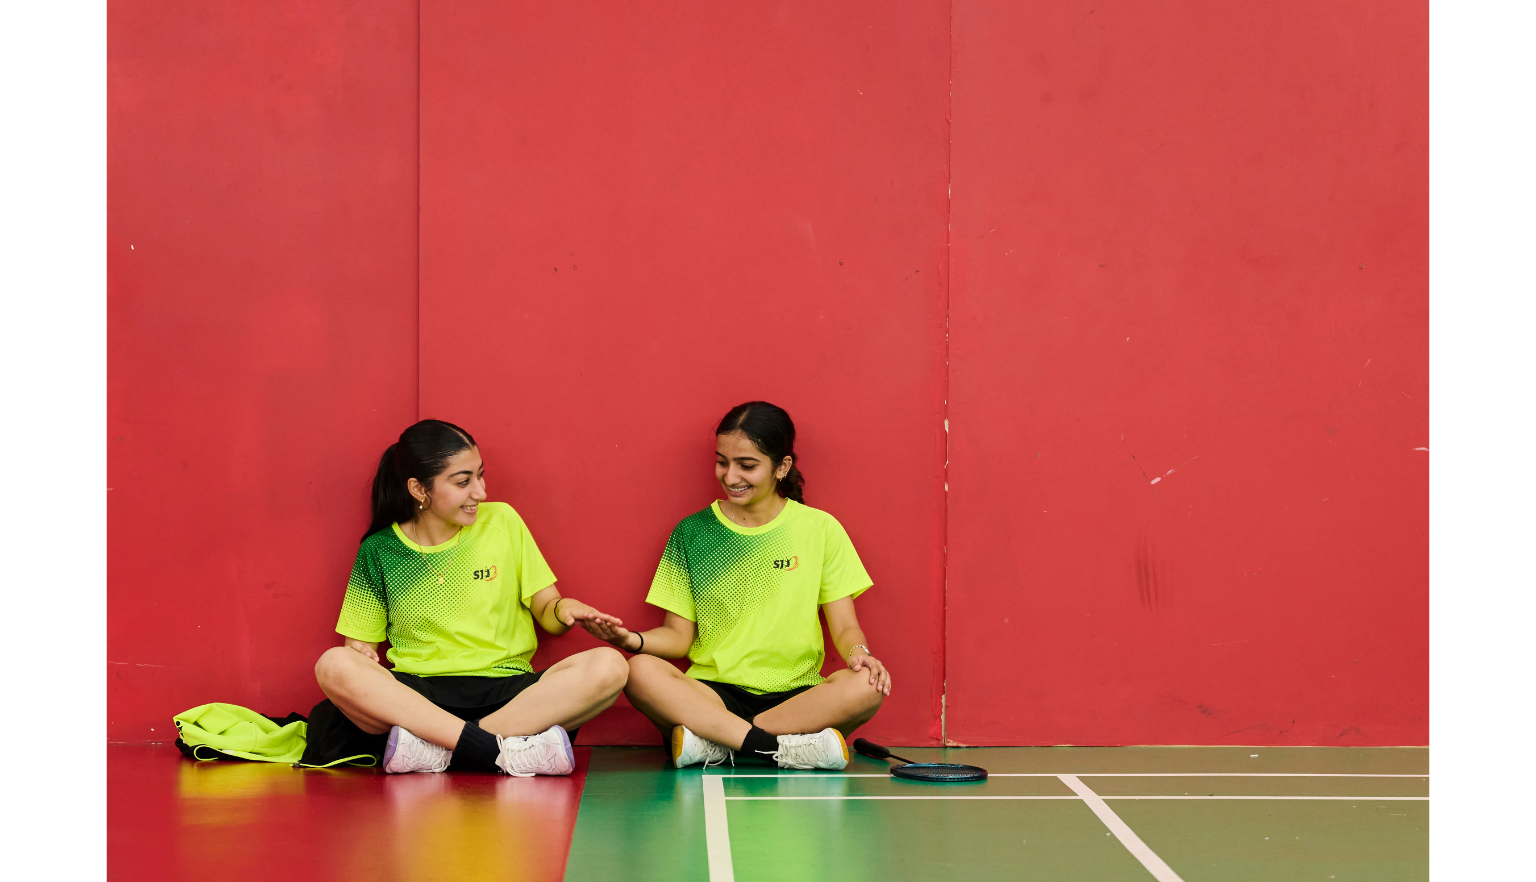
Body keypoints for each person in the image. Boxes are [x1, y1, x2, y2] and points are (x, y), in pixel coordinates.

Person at [581, 402, 888, 770]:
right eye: (722, 461)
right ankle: (776, 750)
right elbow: (678, 637)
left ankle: (720, 743)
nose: (730, 476)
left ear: (782, 467)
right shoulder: (691, 532)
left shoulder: (820, 529)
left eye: (747, 465)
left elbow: (843, 625)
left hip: (796, 698)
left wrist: (859, 652)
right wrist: (629, 640)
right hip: (713, 695)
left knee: (868, 684)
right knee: (641, 671)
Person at [313, 419, 629, 775]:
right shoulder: (380, 550)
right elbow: (358, 650)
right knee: (334, 664)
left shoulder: (503, 521)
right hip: (419, 698)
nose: (480, 491)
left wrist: (565, 609)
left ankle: (443, 751)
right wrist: (360, 653)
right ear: (419, 489)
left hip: (510, 694)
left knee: (610, 665)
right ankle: (503, 751)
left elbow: (547, 609)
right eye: (463, 482)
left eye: (480, 475)